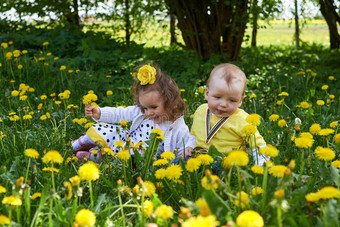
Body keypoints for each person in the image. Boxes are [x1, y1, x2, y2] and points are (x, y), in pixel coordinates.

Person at [72, 64, 195, 163]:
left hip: (138, 155)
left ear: (170, 102)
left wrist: (186, 152)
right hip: (126, 140)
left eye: (153, 107)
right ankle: (79, 143)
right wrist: (100, 112)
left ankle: (92, 156)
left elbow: (186, 142)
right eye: (145, 108)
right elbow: (120, 113)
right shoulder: (142, 111)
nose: (149, 112)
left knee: (122, 160)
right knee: (104, 130)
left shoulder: (177, 126)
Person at [190, 63, 267, 165]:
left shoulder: (242, 119)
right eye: (217, 97)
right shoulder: (200, 111)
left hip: (224, 163)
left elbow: (258, 145)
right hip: (197, 158)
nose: (223, 104)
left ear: (240, 100)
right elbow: (193, 135)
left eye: (232, 100)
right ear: (207, 93)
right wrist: (189, 147)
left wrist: (262, 166)